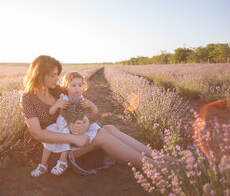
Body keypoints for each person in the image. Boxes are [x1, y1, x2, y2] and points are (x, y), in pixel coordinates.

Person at [20, 55, 167, 176]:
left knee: (109, 128)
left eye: (57, 75)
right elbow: (37, 134)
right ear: (39, 76)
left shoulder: (57, 90)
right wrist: (74, 137)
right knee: (101, 136)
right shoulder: (27, 98)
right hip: (48, 148)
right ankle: (157, 167)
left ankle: (159, 157)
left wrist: (83, 126)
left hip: (69, 136)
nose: (57, 79)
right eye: (52, 76)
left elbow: (80, 111)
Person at [30, 72, 101, 177]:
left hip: (74, 128)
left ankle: (62, 162)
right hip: (60, 126)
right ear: (67, 87)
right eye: (73, 85)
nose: (77, 88)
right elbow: (51, 112)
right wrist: (57, 105)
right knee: (48, 145)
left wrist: (90, 104)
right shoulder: (63, 98)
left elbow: (95, 112)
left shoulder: (82, 100)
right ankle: (42, 165)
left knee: (66, 140)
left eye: (80, 85)